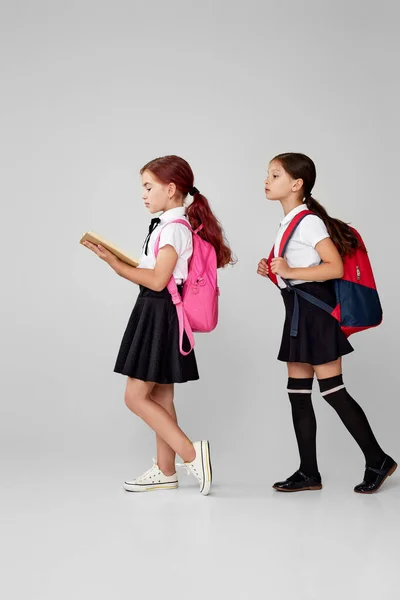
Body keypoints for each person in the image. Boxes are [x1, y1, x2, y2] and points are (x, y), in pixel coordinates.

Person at [83, 155, 234, 495]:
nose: (143, 194)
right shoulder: (168, 227)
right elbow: (156, 273)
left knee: (135, 397)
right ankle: (167, 471)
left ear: (171, 189)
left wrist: (114, 264)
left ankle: (192, 454)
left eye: (149, 187)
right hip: (157, 311)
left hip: (159, 311)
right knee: (162, 396)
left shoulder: (174, 230)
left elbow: (157, 279)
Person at [257, 152, 397, 494]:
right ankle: (309, 473)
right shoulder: (289, 223)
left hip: (316, 316)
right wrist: (275, 273)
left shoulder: (308, 222)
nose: (267, 179)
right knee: (298, 395)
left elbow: (333, 267)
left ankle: (378, 459)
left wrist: (290, 271)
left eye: (275, 175)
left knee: (333, 391)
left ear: (296, 183)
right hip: (299, 315)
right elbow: (300, 272)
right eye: (268, 174)